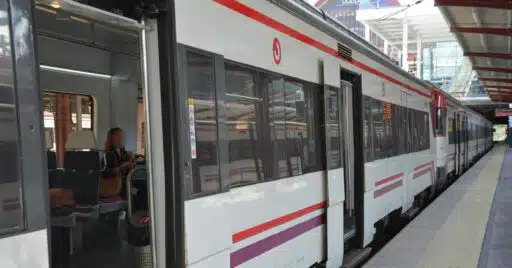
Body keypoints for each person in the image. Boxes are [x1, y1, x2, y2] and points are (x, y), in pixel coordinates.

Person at [101, 127, 133, 198]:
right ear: (113, 138)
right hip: (113, 182)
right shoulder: (108, 153)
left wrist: (130, 160)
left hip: (124, 180)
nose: (122, 138)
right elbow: (105, 172)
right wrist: (121, 167)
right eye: (119, 135)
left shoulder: (123, 152)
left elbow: (128, 170)